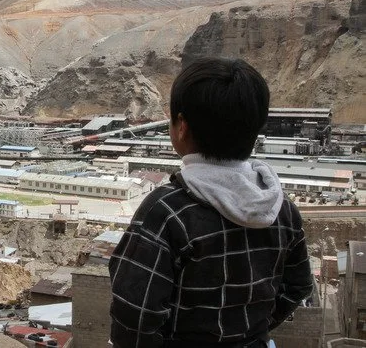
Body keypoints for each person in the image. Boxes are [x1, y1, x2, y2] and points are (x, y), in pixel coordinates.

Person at [108, 57, 313, 347]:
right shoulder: (283, 209)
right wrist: (253, 332)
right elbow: (299, 285)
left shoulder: (166, 212)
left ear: (182, 127)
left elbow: (134, 318)